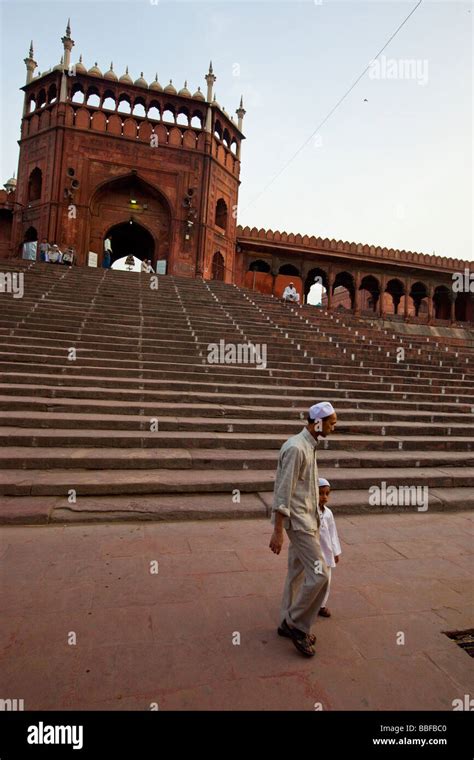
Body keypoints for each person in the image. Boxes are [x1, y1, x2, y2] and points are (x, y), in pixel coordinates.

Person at [269, 401, 337, 657]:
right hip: (299, 524)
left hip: (307, 519)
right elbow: (282, 492)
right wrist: (277, 531)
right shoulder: (297, 448)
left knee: (297, 574)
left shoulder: (308, 445)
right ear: (318, 422)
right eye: (332, 422)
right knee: (321, 575)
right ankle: (296, 624)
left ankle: (286, 621)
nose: (334, 427)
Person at [317, 477, 341, 618]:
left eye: (327, 494)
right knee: (312, 581)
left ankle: (322, 605)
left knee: (327, 580)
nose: (324, 497)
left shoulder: (328, 513)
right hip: (314, 554)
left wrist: (336, 551)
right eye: (321, 493)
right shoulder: (311, 512)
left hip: (327, 554)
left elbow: (333, 533)